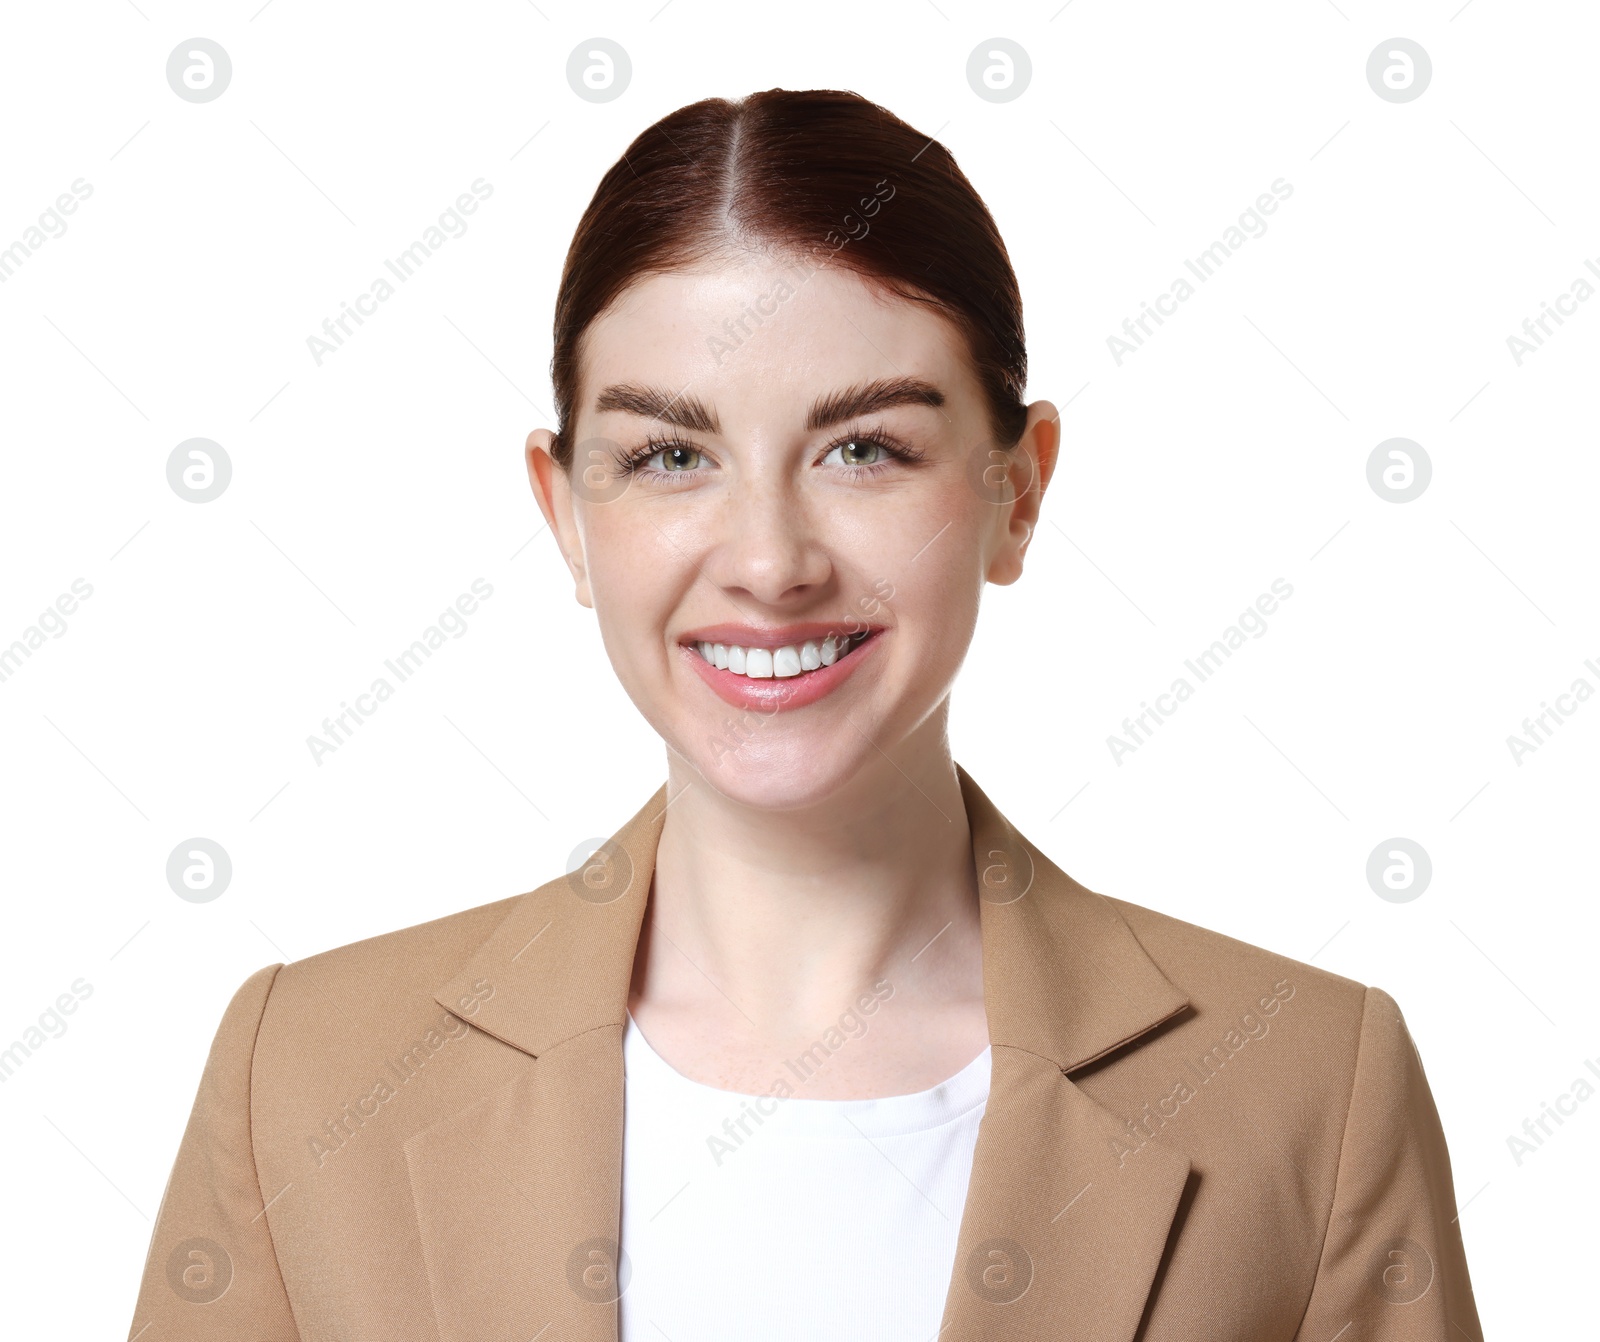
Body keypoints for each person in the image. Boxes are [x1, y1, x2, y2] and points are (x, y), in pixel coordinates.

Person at [127, 88, 1481, 1342]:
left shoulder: (1311, 1091)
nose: (770, 561)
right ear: (566, 515)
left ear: (1018, 489)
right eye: (670, 454)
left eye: (864, 448)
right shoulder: (299, 1080)